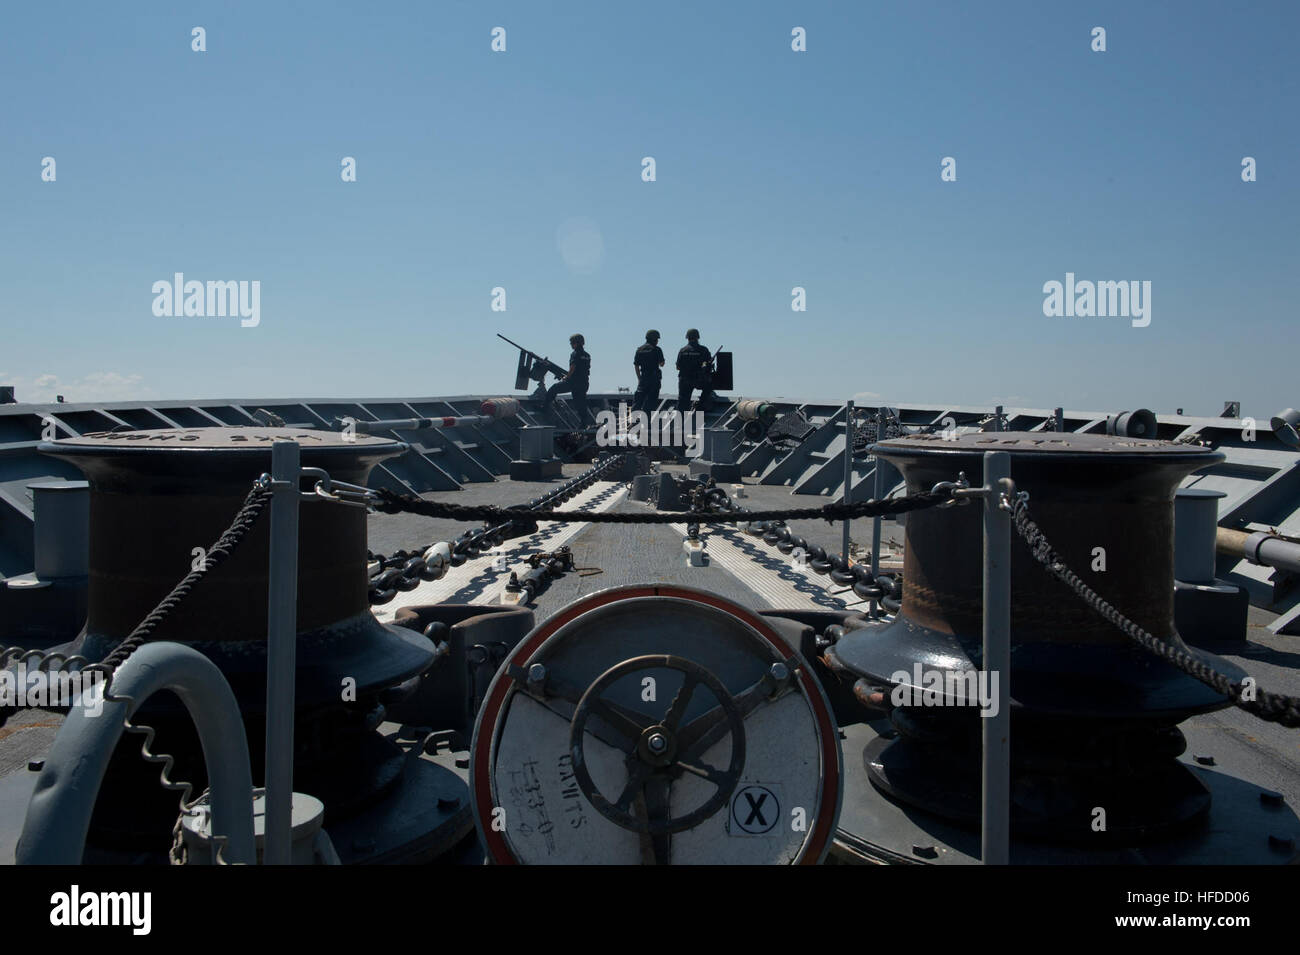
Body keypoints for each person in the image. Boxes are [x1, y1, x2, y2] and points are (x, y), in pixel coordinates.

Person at [542, 333, 592, 425]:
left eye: (571, 343)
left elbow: (573, 367)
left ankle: (544, 408)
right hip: (584, 383)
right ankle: (584, 423)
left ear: (575, 343)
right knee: (580, 403)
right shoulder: (587, 355)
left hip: (573, 382)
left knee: (553, 389)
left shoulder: (575, 353)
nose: (571, 345)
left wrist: (566, 377)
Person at [676, 328, 716, 412]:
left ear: (687, 338)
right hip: (698, 379)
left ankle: (680, 420)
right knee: (709, 386)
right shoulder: (703, 350)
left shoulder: (682, 350)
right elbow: (707, 364)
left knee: (683, 401)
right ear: (697, 337)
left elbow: (678, 367)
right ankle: (700, 406)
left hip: (684, 380)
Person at [632, 329, 665, 413]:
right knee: (651, 402)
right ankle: (647, 423)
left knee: (638, 401)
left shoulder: (639, 350)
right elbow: (662, 364)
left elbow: (636, 365)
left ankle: (633, 421)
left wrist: (639, 378)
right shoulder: (657, 349)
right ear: (655, 339)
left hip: (644, 378)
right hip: (654, 379)